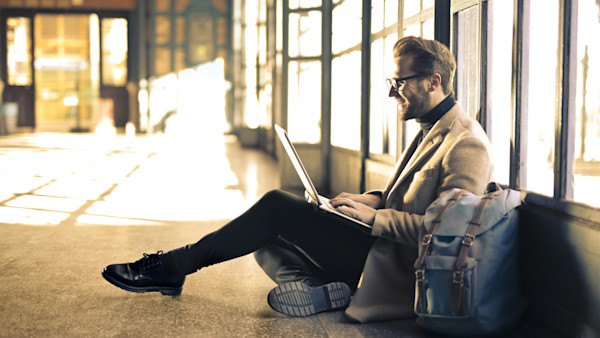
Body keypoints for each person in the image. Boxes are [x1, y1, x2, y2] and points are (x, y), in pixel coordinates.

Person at [102, 36, 493, 322]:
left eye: (399, 82)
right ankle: (318, 291)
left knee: (275, 206)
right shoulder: (433, 126)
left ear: (434, 81)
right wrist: (369, 200)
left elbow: (448, 235)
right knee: (260, 240)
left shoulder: (465, 143)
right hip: (375, 247)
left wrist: (372, 219)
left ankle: (173, 266)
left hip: (394, 268)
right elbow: (409, 196)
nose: (393, 93)